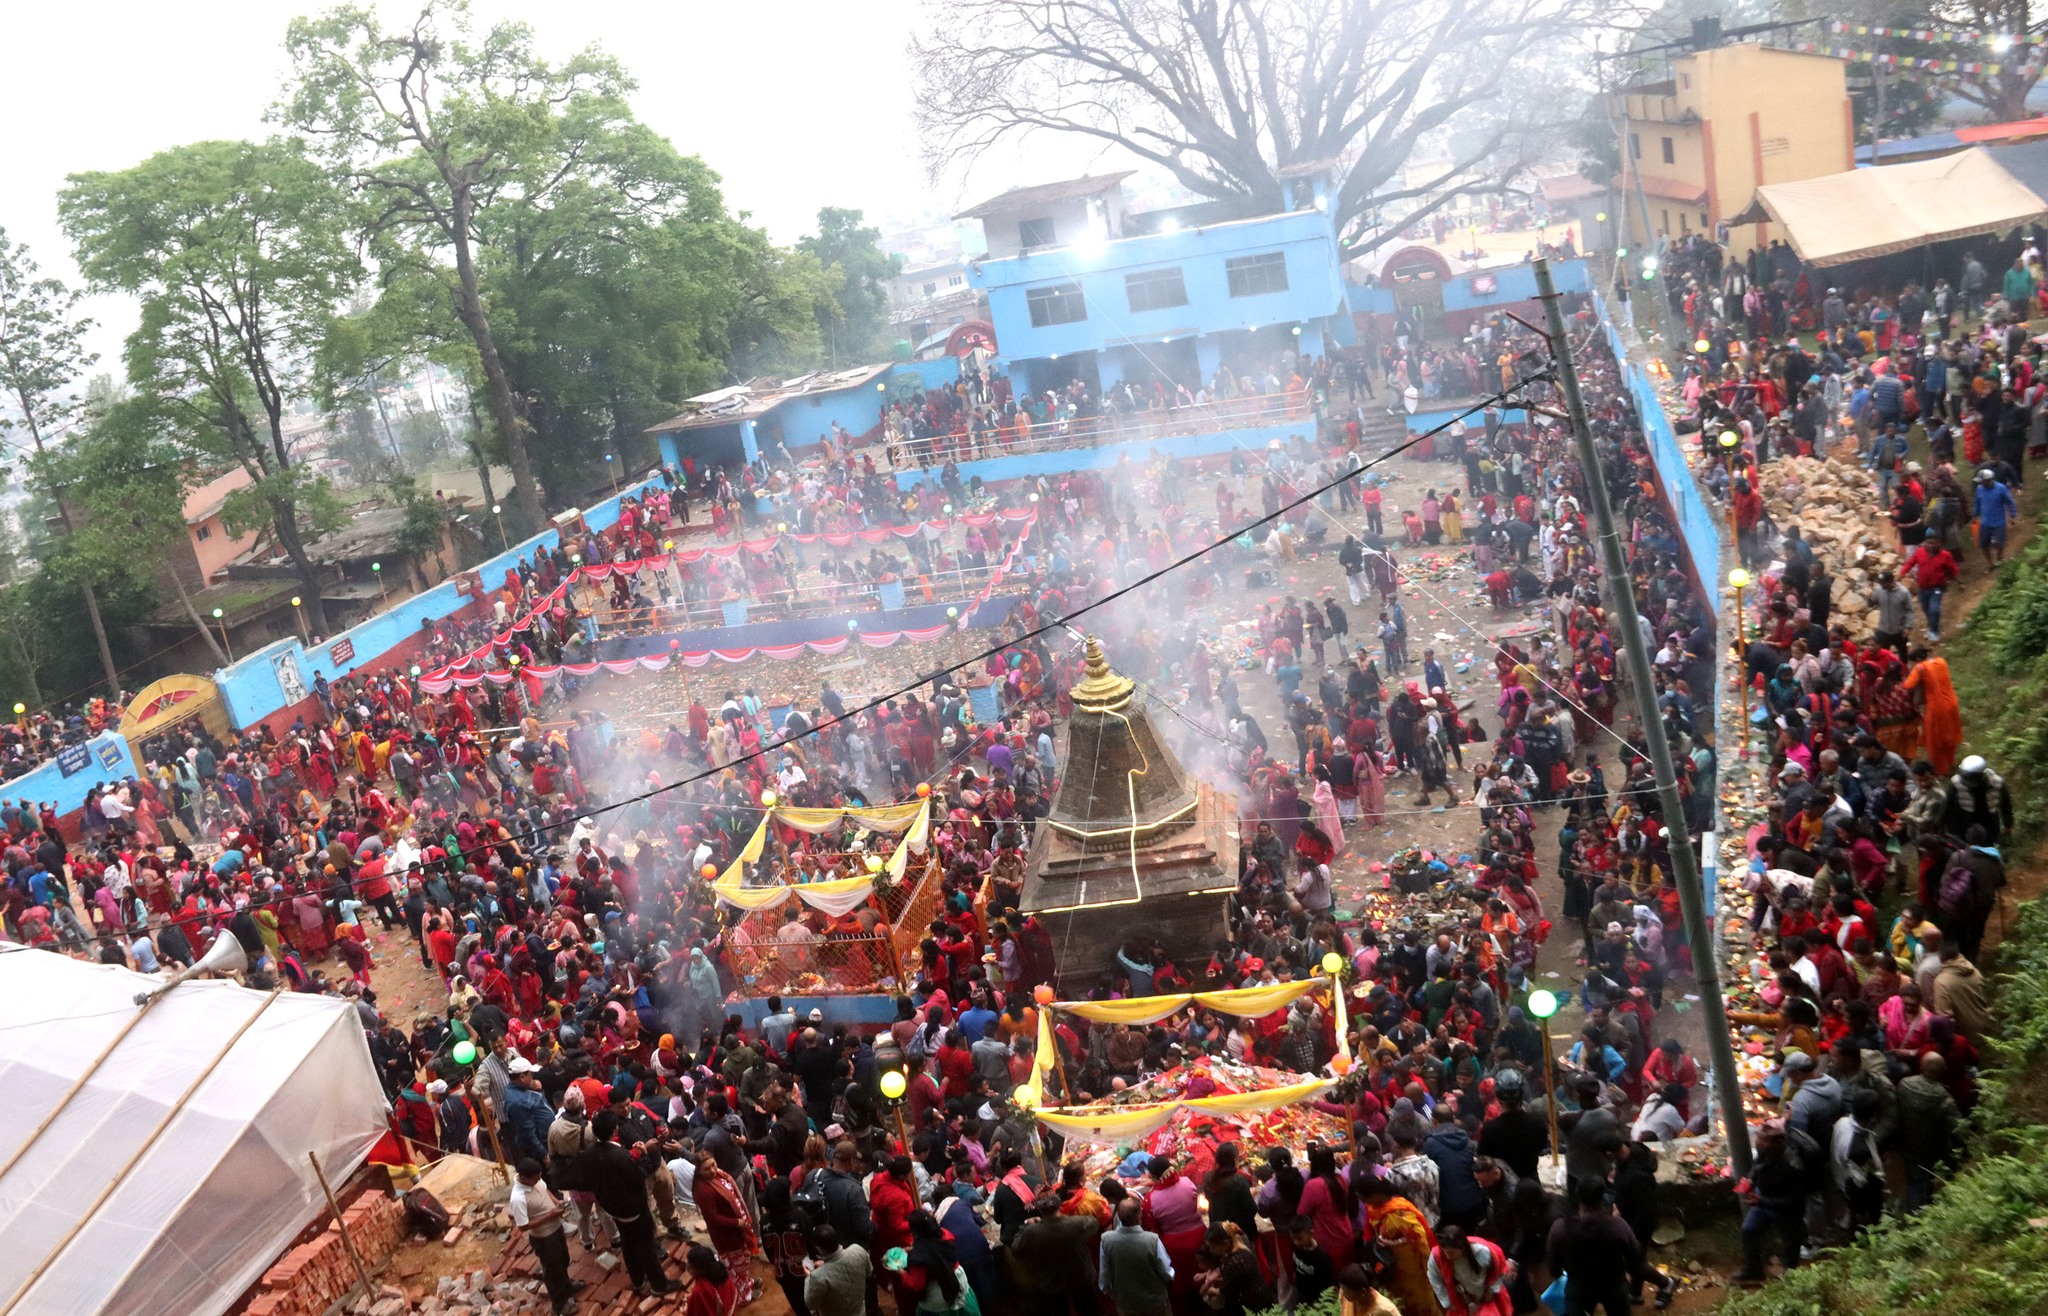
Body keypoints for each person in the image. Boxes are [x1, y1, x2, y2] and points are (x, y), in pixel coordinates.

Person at [579, 1111, 676, 1296]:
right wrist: (641, 1154)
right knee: (646, 1246)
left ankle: (638, 1280)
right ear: (614, 1129)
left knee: (628, 1243)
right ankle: (659, 1285)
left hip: (612, 1207)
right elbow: (638, 1176)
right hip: (633, 1208)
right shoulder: (619, 1156)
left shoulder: (590, 1152)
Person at [1544, 1177, 1645, 1315]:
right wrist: (1618, 1220)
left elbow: (1553, 1263)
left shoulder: (1560, 1228)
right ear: (1602, 1197)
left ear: (1577, 1194)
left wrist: (1558, 1274)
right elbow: (1635, 1252)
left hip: (1578, 1285)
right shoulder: (1617, 1226)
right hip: (1613, 1283)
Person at [510, 1158, 581, 1316]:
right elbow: (523, 1226)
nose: (538, 1180)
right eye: (535, 1178)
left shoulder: (535, 1180)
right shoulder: (518, 1198)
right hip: (544, 1237)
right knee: (552, 1269)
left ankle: (567, 1286)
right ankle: (560, 1305)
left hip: (556, 1228)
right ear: (524, 1177)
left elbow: (544, 1189)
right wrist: (550, 1215)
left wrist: (556, 1202)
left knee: (563, 1259)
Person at [1099, 1197, 1173, 1316]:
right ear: (1139, 1215)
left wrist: (1109, 1291)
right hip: (1154, 1300)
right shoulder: (1152, 1240)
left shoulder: (1106, 1239)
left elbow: (1105, 1273)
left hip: (1125, 1301)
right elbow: (1166, 1272)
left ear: (1118, 1215)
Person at [806, 1225, 874, 1316]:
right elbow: (869, 1272)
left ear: (819, 1248)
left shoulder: (817, 1276)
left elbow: (811, 1304)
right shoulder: (858, 1250)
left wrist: (808, 1277)